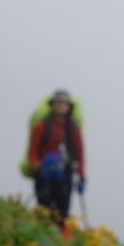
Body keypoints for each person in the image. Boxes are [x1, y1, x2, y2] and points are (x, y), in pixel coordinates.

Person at [27, 90, 85, 232]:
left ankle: (61, 242)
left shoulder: (74, 129)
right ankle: (39, 238)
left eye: (63, 103)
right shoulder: (41, 126)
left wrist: (82, 176)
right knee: (43, 210)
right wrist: (38, 167)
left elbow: (80, 153)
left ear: (69, 107)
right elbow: (32, 152)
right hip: (44, 176)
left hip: (65, 176)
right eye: (57, 103)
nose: (60, 106)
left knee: (62, 214)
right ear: (52, 105)